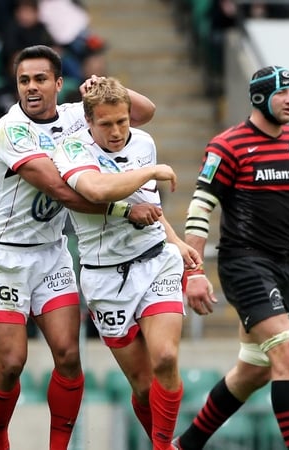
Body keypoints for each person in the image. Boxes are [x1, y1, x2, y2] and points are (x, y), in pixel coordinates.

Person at [0, 44, 157, 450]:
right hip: (3, 255)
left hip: (51, 252)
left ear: (59, 83)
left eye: (40, 79)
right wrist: (126, 209)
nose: (31, 87)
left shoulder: (76, 115)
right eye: (23, 80)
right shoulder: (12, 129)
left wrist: (107, 87)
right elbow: (62, 190)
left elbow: (142, 113)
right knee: (12, 363)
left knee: (69, 356)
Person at [174, 66, 289, 450]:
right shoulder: (228, 145)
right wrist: (193, 272)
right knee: (287, 351)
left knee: (255, 370)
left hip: (282, 266)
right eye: (282, 93)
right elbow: (200, 208)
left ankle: (185, 445)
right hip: (244, 263)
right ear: (260, 97)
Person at [52, 76, 197, 449]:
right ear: (88, 121)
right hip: (105, 277)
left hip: (156, 261)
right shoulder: (71, 148)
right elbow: (95, 189)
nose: (116, 132)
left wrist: (176, 241)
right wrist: (150, 172)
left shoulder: (144, 142)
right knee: (143, 385)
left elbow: (149, 203)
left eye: (122, 121)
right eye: (106, 124)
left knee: (165, 357)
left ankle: (163, 447)